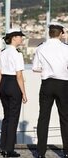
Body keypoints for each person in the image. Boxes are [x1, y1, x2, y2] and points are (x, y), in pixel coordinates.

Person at [32, 22, 68, 158]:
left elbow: (35, 68)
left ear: (49, 33)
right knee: (65, 118)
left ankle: (40, 152)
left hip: (47, 84)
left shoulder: (41, 48)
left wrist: (47, 70)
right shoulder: (66, 48)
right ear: (61, 33)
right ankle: (66, 151)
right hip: (63, 84)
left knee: (43, 118)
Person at [0, 28, 27, 157]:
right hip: (14, 84)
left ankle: (2, 147)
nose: (22, 38)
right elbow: (19, 75)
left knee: (6, 117)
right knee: (13, 118)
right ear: (14, 37)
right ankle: (9, 150)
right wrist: (24, 93)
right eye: (20, 36)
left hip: (3, 83)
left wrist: (0, 88)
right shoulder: (17, 54)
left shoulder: (3, 53)